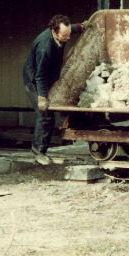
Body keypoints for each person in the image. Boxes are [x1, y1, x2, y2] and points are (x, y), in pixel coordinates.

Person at [22, 14, 85, 165]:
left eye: (69, 33)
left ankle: (43, 149)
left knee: (50, 113)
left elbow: (70, 30)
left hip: (48, 75)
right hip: (35, 80)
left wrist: (82, 26)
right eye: (65, 35)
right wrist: (42, 98)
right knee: (45, 115)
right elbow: (40, 76)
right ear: (55, 32)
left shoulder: (62, 32)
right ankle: (38, 152)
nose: (68, 38)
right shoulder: (45, 47)